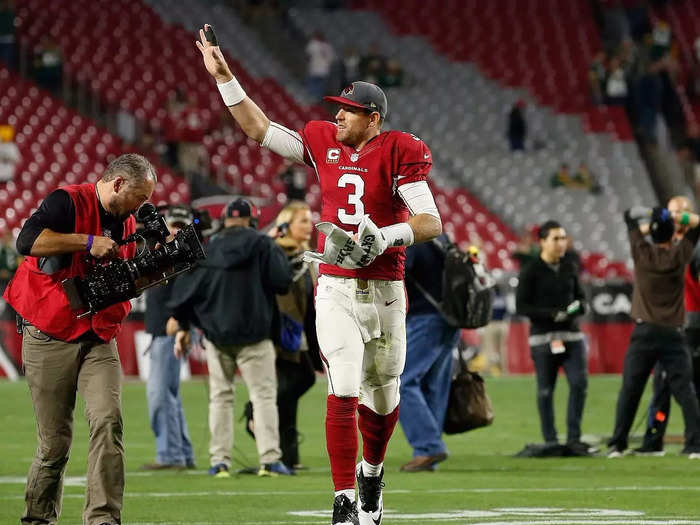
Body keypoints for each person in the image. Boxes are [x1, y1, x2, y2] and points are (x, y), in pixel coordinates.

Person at [196, 25, 442, 525]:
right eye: (337, 107)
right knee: (344, 387)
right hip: (335, 286)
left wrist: (388, 235)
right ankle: (343, 498)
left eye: (347, 110)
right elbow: (258, 129)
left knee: (385, 390)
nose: (337, 115)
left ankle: (372, 472)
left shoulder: (400, 149)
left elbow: (429, 221)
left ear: (373, 119)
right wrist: (226, 78)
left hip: (387, 289)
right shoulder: (322, 140)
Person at [3, 153, 156, 525]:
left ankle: (103, 518)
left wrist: (151, 269)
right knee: (55, 443)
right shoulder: (67, 200)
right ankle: (38, 518)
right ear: (117, 183)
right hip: (49, 332)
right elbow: (27, 241)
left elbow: (124, 281)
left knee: (108, 421)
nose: (141, 206)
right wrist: (87, 241)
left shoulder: (129, 222)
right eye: (138, 197)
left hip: (98, 335)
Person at [168, 197, 294, 478]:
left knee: (220, 398)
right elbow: (282, 282)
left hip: (217, 336)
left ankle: (220, 462)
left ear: (225, 219)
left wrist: (185, 326)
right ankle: (270, 460)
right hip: (255, 335)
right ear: (253, 219)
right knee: (262, 397)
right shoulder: (263, 244)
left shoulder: (209, 248)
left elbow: (186, 292)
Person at [607, 205, 700, 458]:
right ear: (672, 236)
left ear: (652, 235)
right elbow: (697, 224)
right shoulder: (679, 255)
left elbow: (629, 219)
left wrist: (652, 221)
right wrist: (676, 217)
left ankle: (618, 443)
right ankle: (695, 444)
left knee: (631, 389)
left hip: (644, 332)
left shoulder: (642, 253)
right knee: (685, 391)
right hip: (673, 332)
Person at [516, 220, 590, 453]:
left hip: (572, 336)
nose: (561, 243)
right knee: (546, 391)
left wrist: (578, 308)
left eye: (563, 238)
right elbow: (522, 306)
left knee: (579, 384)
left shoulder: (570, 267)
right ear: (543, 242)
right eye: (556, 239)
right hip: (543, 340)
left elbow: (582, 298)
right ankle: (550, 439)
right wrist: (550, 314)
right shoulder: (530, 270)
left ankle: (574, 438)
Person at [140, 205, 196, 470]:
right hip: (162, 330)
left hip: (169, 331)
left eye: (179, 226)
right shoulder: (167, 255)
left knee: (160, 395)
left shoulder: (184, 258)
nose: (173, 231)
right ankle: (181, 452)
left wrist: (181, 321)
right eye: (170, 225)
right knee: (169, 395)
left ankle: (171, 455)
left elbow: (187, 293)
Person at [399, 233, 460, 472]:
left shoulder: (410, 238)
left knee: (402, 382)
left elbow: (397, 274)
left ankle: (428, 446)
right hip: (449, 318)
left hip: (424, 318)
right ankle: (426, 452)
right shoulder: (440, 237)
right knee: (433, 386)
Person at [267, 201, 319, 470]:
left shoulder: (305, 252)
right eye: (302, 221)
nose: (308, 226)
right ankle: (257, 413)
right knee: (298, 380)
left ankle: (289, 457)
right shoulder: (277, 251)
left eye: (309, 221)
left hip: (299, 328)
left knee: (295, 384)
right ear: (286, 224)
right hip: (282, 328)